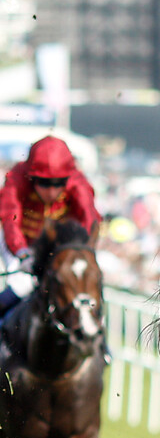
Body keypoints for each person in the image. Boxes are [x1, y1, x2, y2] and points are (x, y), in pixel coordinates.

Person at [0, 135, 102, 316]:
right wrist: (22, 252)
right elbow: (10, 221)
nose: (52, 192)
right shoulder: (16, 179)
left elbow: (90, 218)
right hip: (20, 242)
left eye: (59, 183)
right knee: (22, 285)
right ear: (31, 177)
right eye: (44, 183)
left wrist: (84, 250)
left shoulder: (78, 182)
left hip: (58, 245)